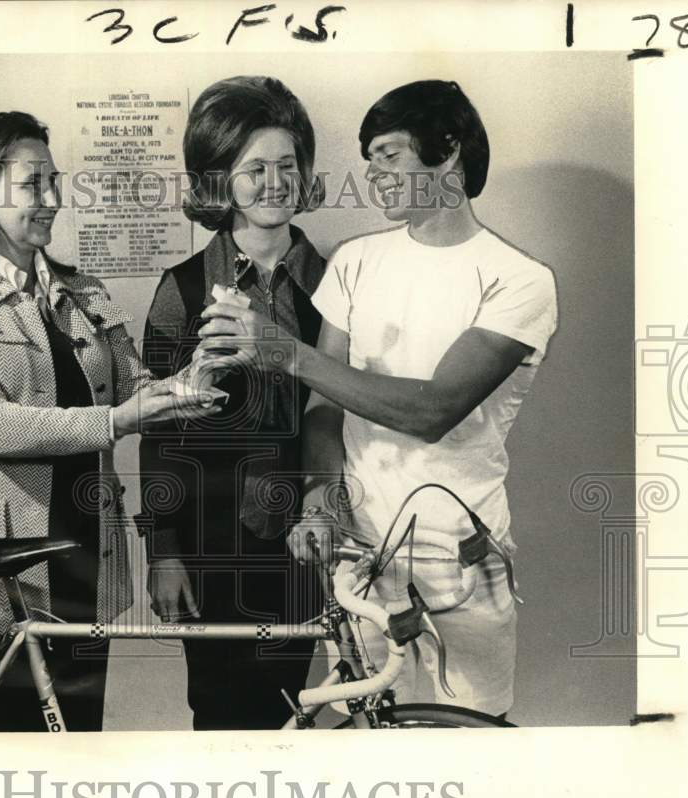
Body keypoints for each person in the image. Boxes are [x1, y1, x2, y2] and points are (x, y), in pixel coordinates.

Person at [197, 80, 559, 718]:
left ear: (447, 152)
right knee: (374, 737)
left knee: (469, 743)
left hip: (460, 558)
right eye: (369, 160)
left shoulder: (520, 280)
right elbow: (325, 405)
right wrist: (317, 499)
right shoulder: (357, 261)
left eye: (388, 155)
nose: (373, 175)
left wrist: (279, 347)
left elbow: (432, 410)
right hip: (361, 554)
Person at [0, 111, 217, 731]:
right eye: (32, 185)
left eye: (55, 181)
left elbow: (137, 389)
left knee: (75, 737)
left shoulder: (86, 291)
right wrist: (119, 420)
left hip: (83, 548)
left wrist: (199, 377)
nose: (51, 200)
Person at [138, 76, 326, 729]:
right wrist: (163, 552)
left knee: (288, 710)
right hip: (210, 542)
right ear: (221, 181)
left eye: (287, 165)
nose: (275, 182)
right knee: (219, 714)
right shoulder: (181, 290)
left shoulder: (341, 284)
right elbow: (157, 433)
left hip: (311, 535)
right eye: (254, 168)